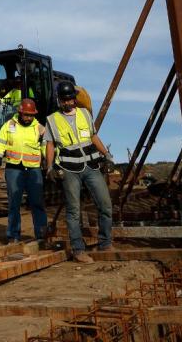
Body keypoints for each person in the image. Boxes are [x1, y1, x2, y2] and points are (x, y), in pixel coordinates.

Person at [44, 81, 115, 264]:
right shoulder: (52, 119)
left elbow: (93, 136)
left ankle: (105, 242)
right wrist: (50, 166)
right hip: (69, 170)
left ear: (74, 99)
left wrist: (106, 154)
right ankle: (78, 250)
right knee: (74, 211)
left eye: (70, 99)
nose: (68, 103)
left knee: (105, 205)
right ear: (59, 100)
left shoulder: (84, 114)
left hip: (91, 166)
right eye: (64, 100)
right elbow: (50, 145)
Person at [0, 98, 48, 243]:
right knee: (14, 204)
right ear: (20, 113)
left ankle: (41, 235)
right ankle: (13, 236)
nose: (29, 118)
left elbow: (46, 148)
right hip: (13, 169)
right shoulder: (8, 126)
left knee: (37, 203)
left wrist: (50, 162)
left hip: (33, 170)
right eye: (26, 115)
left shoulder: (40, 129)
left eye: (31, 115)